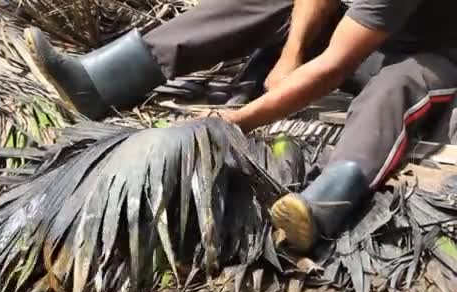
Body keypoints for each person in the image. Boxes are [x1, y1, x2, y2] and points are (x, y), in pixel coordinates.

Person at [24, 0, 457, 253]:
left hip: (432, 56)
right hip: (368, 38)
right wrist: (290, 56)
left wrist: (235, 122)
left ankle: (328, 201)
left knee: (401, 82)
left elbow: (335, 64)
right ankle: (99, 81)